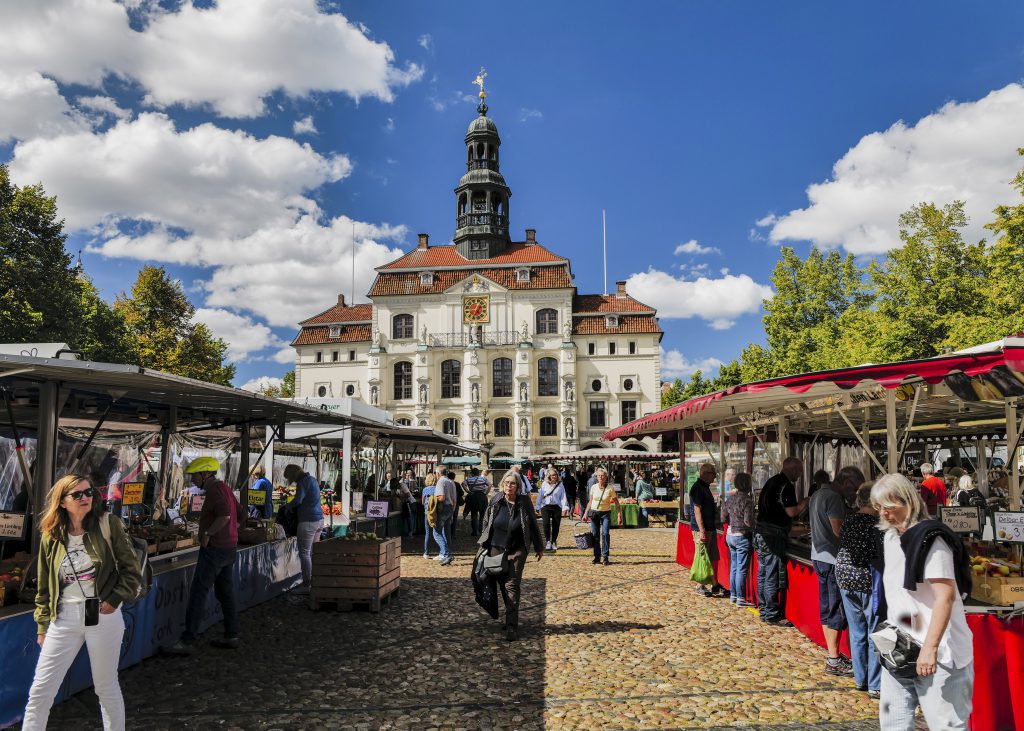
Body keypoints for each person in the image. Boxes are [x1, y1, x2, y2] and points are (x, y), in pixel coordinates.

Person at [24, 474, 141, 730]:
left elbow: (132, 571)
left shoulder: (108, 524)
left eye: (89, 493)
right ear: (62, 501)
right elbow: (43, 587)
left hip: (102, 614)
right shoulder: (51, 535)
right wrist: (43, 625)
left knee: (105, 686)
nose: (85, 498)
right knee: (40, 691)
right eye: (77, 495)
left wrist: (114, 599)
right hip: (63, 616)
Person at [871, 474, 974, 730]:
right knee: (893, 723)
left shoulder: (933, 540)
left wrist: (929, 648)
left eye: (889, 507)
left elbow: (945, 597)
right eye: (879, 507)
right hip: (898, 645)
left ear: (907, 501)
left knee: (946, 725)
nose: (883, 513)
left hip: (938, 653)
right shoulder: (891, 537)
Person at [165, 457, 245, 655]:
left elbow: (225, 515)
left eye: (194, 475)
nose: (192, 480)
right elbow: (241, 515)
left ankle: (187, 640)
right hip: (229, 548)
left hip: (215, 549)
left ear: (204, 475)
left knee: (199, 592)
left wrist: (209, 533)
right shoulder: (225, 488)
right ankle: (232, 634)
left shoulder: (215, 490)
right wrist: (231, 534)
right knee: (225, 592)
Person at [478, 473, 544, 641]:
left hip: (517, 551)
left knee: (512, 586)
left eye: (513, 483)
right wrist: (483, 541)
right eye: (507, 483)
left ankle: (512, 626)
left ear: (518, 486)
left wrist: (538, 546)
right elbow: (486, 520)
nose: (509, 486)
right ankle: (509, 617)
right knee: (502, 584)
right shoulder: (496, 499)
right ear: (502, 485)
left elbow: (533, 525)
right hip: (495, 549)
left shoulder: (524, 502)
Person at [810, 465, 861, 677]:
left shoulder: (818, 494)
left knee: (827, 608)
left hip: (818, 556)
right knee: (835, 609)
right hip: (832, 559)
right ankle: (834, 658)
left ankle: (833, 655)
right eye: (854, 488)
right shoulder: (833, 498)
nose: (854, 493)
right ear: (847, 482)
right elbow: (838, 529)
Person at [836, 482, 884, 700]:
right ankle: (875, 684)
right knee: (874, 631)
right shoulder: (877, 524)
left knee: (856, 632)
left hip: (845, 577)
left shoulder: (849, 521)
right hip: (867, 579)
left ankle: (860, 679)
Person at [754, 456, 808, 626]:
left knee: (763, 573)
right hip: (773, 534)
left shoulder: (771, 482)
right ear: (792, 469)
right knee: (771, 574)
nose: (800, 475)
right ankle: (771, 613)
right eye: (799, 471)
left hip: (761, 531)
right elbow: (792, 512)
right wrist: (804, 503)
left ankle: (764, 609)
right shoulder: (786, 485)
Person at [279, 464, 323, 594]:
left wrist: (288, 506)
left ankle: (306, 585)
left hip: (308, 520)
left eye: (290, 478)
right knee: (312, 553)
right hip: (319, 519)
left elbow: (298, 500)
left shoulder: (303, 482)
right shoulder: (312, 479)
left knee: (304, 554)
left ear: (294, 474)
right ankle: (316, 582)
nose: (291, 481)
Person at [690, 462, 728, 598]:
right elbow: (697, 509)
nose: (714, 478)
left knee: (712, 557)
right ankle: (700, 585)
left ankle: (714, 584)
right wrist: (702, 530)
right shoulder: (698, 488)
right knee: (703, 557)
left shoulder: (705, 487)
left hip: (710, 528)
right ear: (706, 474)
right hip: (702, 529)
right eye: (713, 475)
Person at [721, 471, 755, 607]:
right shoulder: (748, 501)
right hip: (742, 536)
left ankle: (733, 595)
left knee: (734, 567)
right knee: (741, 568)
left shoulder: (729, 499)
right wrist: (755, 525)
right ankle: (741, 598)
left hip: (730, 535)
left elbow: (723, 518)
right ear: (748, 485)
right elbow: (748, 522)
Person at [584, 467, 623, 565]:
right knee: (595, 535)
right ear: (597, 477)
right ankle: (597, 557)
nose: (601, 477)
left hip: (606, 513)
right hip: (594, 513)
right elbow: (590, 501)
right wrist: (585, 513)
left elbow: (617, 503)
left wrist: (619, 515)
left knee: (605, 534)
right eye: (599, 476)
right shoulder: (593, 487)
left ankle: (605, 556)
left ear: (606, 477)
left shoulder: (610, 488)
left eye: (603, 476)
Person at [535, 469, 569, 550]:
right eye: (552, 475)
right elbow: (540, 495)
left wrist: (565, 507)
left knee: (556, 525)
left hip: (556, 506)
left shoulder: (560, 484)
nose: (554, 476)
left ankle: (553, 541)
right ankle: (548, 541)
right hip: (545, 506)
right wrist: (537, 506)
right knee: (546, 524)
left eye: (555, 475)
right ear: (549, 476)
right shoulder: (545, 484)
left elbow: (563, 496)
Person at [433, 468, 457, 565]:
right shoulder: (451, 482)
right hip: (450, 508)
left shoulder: (440, 481)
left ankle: (446, 554)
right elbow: (454, 500)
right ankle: (448, 553)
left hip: (443, 509)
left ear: (438, 473)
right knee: (447, 532)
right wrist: (452, 511)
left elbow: (441, 497)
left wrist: (433, 498)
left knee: (437, 532)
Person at [464, 467, 490, 537]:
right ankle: (481, 529)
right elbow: (490, 484)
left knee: (474, 515)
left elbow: (463, 484)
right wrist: (486, 493)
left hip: (473, 497)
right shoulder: (483, 478)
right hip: (482, 496)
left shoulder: (468, 479)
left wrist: (468, 491)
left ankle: (475, 531)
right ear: (478, 473)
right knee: (482, 515)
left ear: (472, 473)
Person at [397, 470, 417, 538]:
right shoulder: (400, 484)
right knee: (409, 517)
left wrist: (400, 496)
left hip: (410, 502)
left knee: (410, 518)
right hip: (407, 502)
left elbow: (408, 494)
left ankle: (411, 532)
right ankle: (410, 532)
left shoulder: (402, 484)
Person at [421, 479, 438, 558]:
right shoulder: (437, 488)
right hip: (436, 513)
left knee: (427, 533)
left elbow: (422, 502)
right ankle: (442, 551)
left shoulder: (425, 489)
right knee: (438, 532)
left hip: (427, 513)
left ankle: (426, 552)